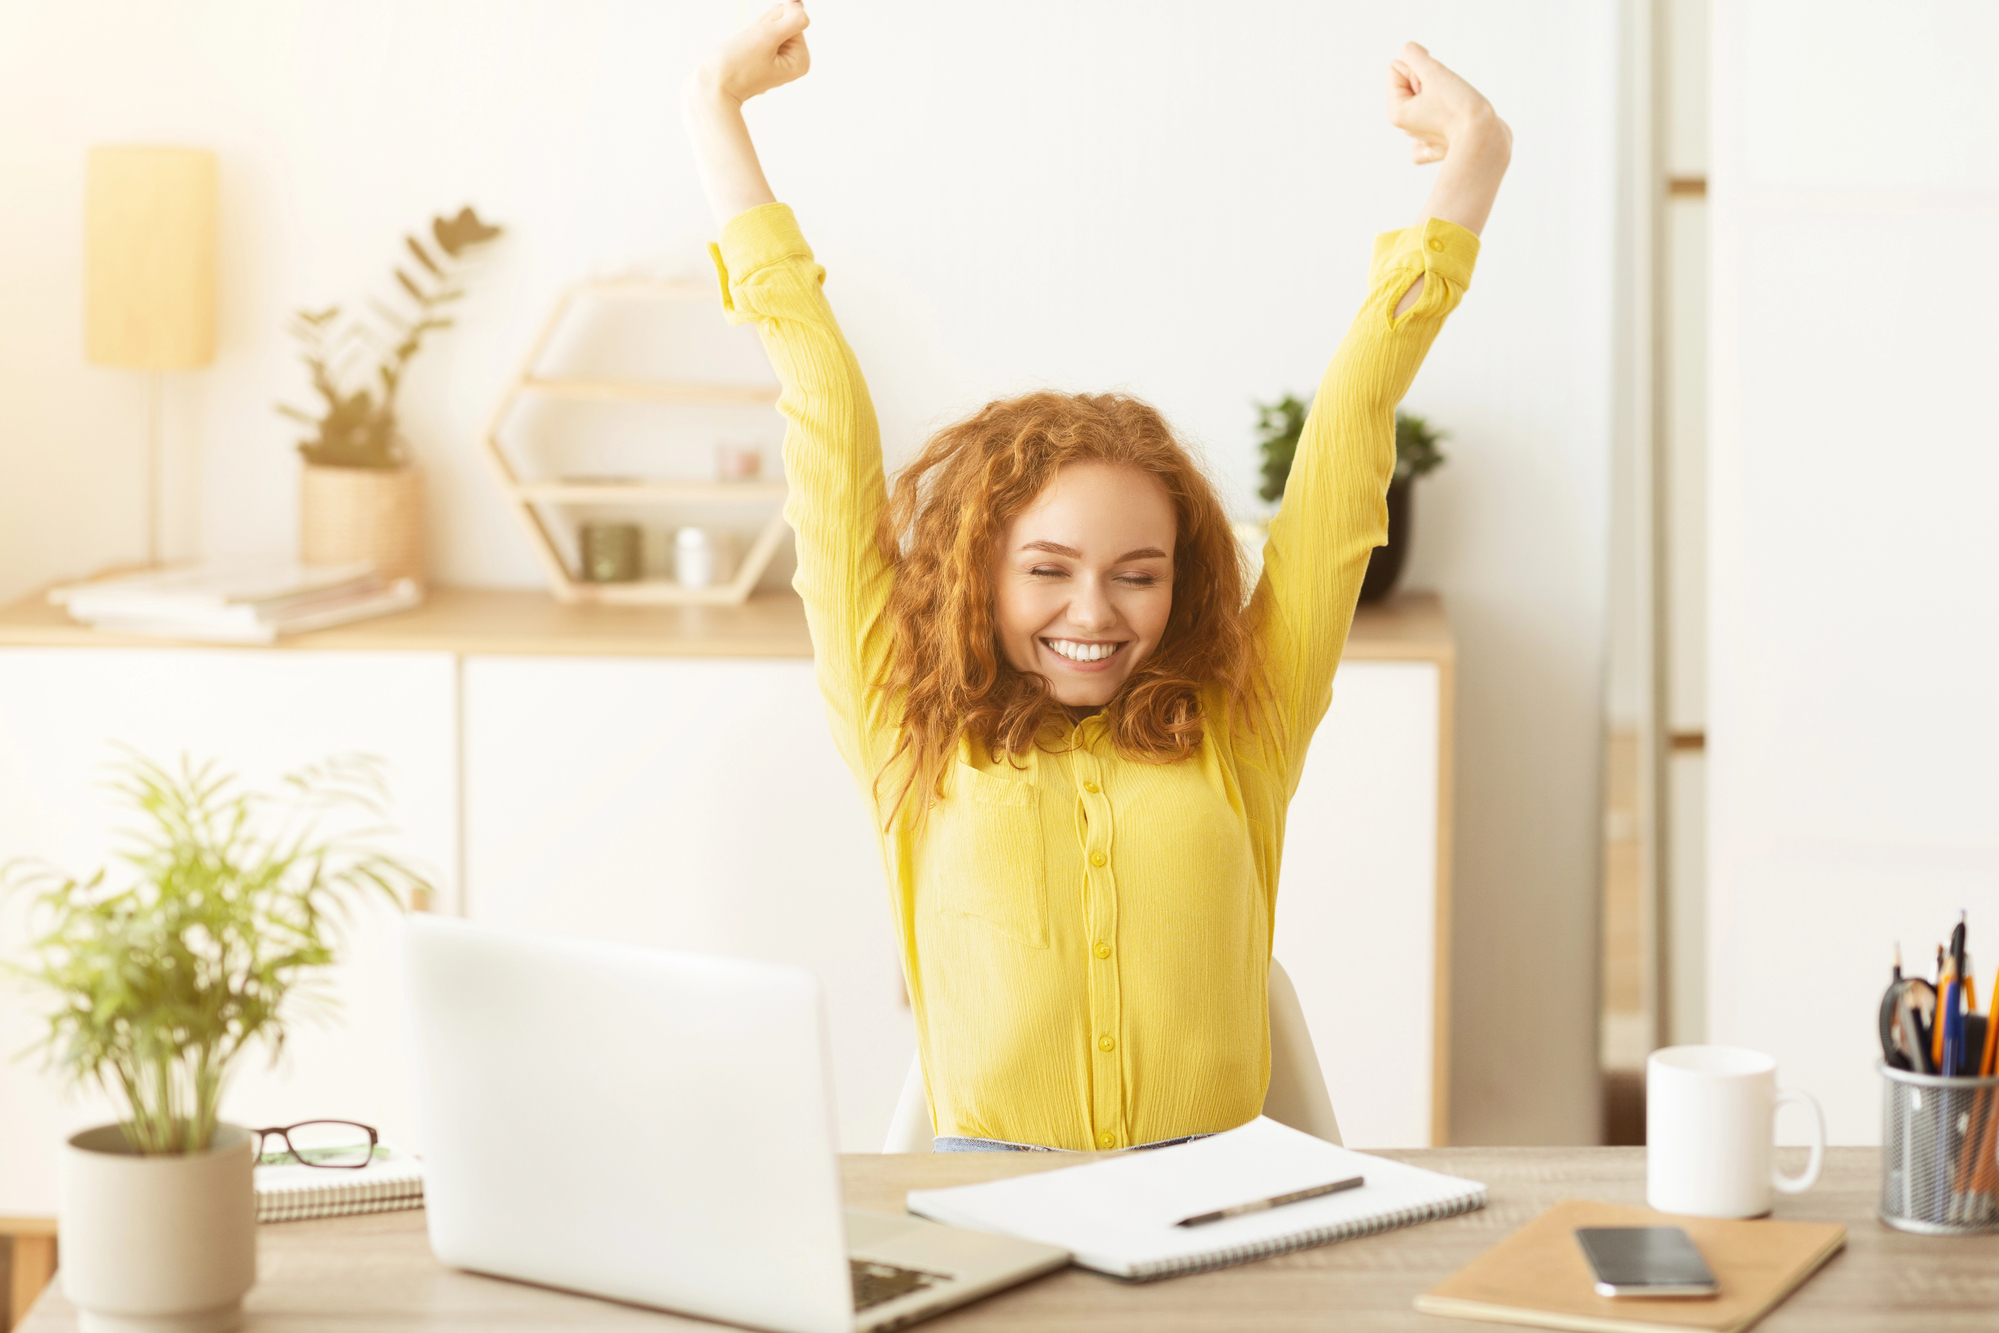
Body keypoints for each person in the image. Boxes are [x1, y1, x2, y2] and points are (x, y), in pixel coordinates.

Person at [683, 2, 1509, 1152]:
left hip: (1217, 1221)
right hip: (989, 1223)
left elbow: (1348, 441)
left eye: (1137, 573)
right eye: (1047, 569)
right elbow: (820, 405)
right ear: (978, 572)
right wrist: (714, 114)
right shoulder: (905, 719)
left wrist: (1472, 169)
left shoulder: (1243, 719)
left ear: (1182, 581)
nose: (1093, 612)